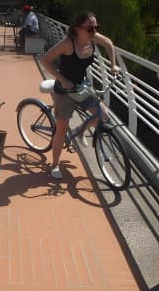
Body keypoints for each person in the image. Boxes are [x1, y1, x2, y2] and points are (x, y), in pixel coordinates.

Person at [41, 12, 120, 179]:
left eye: (96, 27)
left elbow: (109, 43)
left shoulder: (92, 38)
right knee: (62, 130)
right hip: (64, 91)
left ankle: (81, 131)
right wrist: (62, 79)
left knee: (102, 114)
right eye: (91, 28)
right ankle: (54, 166)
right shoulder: (68, 44)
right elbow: (46, 60)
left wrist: (114, 65)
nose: (94, 31)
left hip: (81, 87)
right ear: (78, 28)